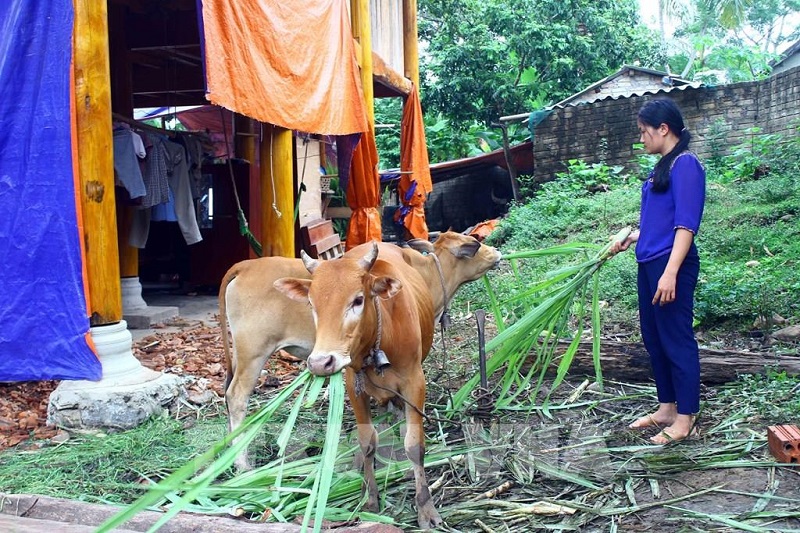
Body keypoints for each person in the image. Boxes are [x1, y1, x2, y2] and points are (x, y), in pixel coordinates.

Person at [610, 98, 706, 445]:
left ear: (663, 129)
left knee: (676, 340)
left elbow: (685, 225)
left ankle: (685, 417)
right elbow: (660, 221)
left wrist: (670, 273)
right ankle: (666, 407)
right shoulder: (662, 168)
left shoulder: (686, 165)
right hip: (650, 262)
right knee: (654, 338)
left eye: (643, 131)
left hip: (671, 266)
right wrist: (633, 237)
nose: (641, 138)